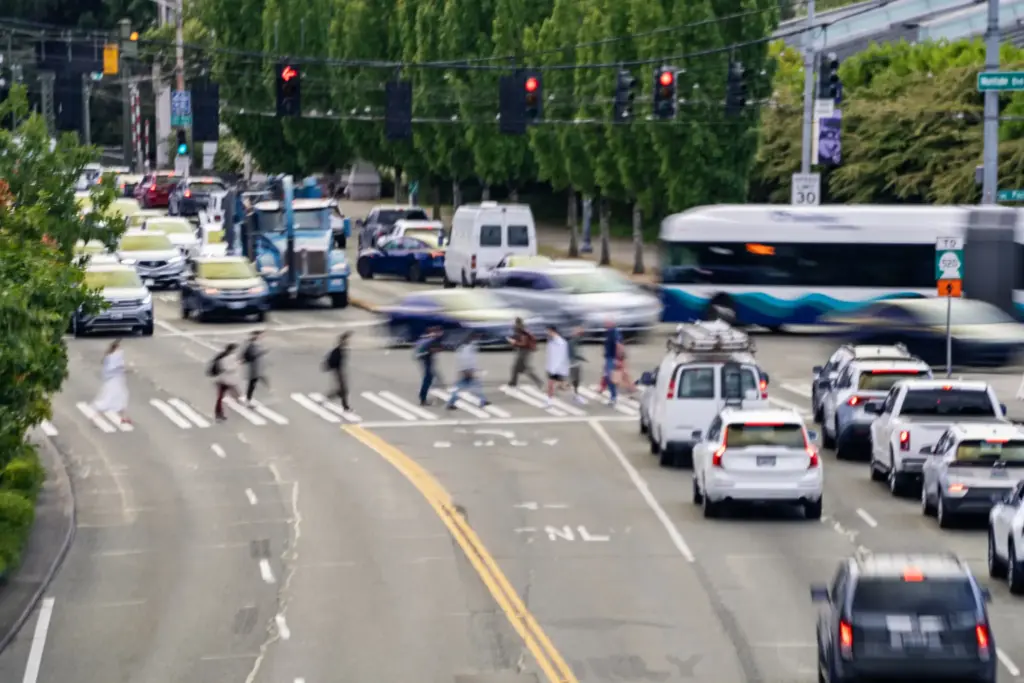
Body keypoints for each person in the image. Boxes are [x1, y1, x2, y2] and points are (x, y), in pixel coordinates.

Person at [447, 332, 489, 409]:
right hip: (467, 371)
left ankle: (483, 400)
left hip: (468, 370)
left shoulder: (467, 348)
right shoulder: (466, 349)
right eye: (475, 338)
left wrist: (476, 369)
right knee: (464, 387)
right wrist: (467, 371)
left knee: (476, 385)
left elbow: (472, 360)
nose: (477, 340)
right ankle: (450, 403)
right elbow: (466, 361)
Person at [93, 339, 131, 424]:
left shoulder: (111, 356)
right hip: (114, 381)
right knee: (110, 399)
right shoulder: (113, 357)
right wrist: (126, 370)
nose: (120, 348)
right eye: (119, 347)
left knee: (122, 397)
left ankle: (124, 417)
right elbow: (115, 368)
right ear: (116, 348)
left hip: (116, 380)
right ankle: (96, 415)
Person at [209, 343, 241, 422]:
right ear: (232, 350)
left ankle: (219, 414)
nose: (236, 351)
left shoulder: (224, 357)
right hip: (226, 380)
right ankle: (219, 414)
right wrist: (236, 364)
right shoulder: (227, 358)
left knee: (221, 397)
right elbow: (227, 368)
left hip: (224, 380)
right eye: (235, 350)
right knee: (228, 395)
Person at [507, 318, 541, 388]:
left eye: (515, 323)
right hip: (523, 351)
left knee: (525, 369)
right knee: (516, 368)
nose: (513, 324)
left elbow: (523, 343)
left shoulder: (522, 331)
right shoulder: (519, 330)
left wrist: (514, 342)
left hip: (524, 352)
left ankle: (538, 381)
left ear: (517, 323)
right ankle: (513, 382)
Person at [322, 332, 352, 411]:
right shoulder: (337, 351)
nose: (348, 342)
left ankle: (330, 398)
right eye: (346, 340)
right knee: (343, 390)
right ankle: (345, 406)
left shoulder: (341, 350)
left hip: (339, 371)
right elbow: (334, 362)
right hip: (338, 372)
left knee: (343, 390)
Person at [414, 327, 444, 406]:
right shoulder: (432, 340)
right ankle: (423, 399)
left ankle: (423, 397)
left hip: (424, 359)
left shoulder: (425, 338)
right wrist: (439, 349)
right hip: (427, 359)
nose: (441, 334)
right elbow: (433, 349)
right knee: (428, 379)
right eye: (439, 332)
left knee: (429, 378)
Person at [544, 325, 571, 408]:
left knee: (553, 384)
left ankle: (550, 400)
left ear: (553, 331)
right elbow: (550, 355)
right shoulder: (551, 341)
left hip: (557, 368)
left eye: (548, 331)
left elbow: (562, 356)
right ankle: (549, 400)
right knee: (551, 384)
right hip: (552, 367)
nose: (547, 333)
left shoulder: (561, 343)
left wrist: (555, 368)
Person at [601, 319, 623, 406]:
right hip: (608, 358)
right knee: (608, 377)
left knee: (610, 378)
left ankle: (613, 397)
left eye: (606, 323)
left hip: (612, 358)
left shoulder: (614, 332)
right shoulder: (609, 332)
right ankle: (613, 395)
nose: (605, 325)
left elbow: (618, 345)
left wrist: (617, 359)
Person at [241, 330, 266, 404]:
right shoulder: (251, 345)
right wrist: (260, 353)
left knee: (253, 382)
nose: (262, 336)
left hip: (257, 366)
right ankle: (248, 399)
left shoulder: (256, 344)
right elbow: (248, 355)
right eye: (260, 335)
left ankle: (248, 398)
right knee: (252, 383)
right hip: (254, 367)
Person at [568, 326, 586, 405]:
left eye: (581, 334)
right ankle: (575, 396)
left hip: (576, 364)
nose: (580, 336)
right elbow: (572, 354)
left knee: (576, 380)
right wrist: (581, 358)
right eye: (579, 334)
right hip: (573, 364)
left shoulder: (577, 341)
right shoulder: (572, 342)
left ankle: (575, 395)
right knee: (574, 380)